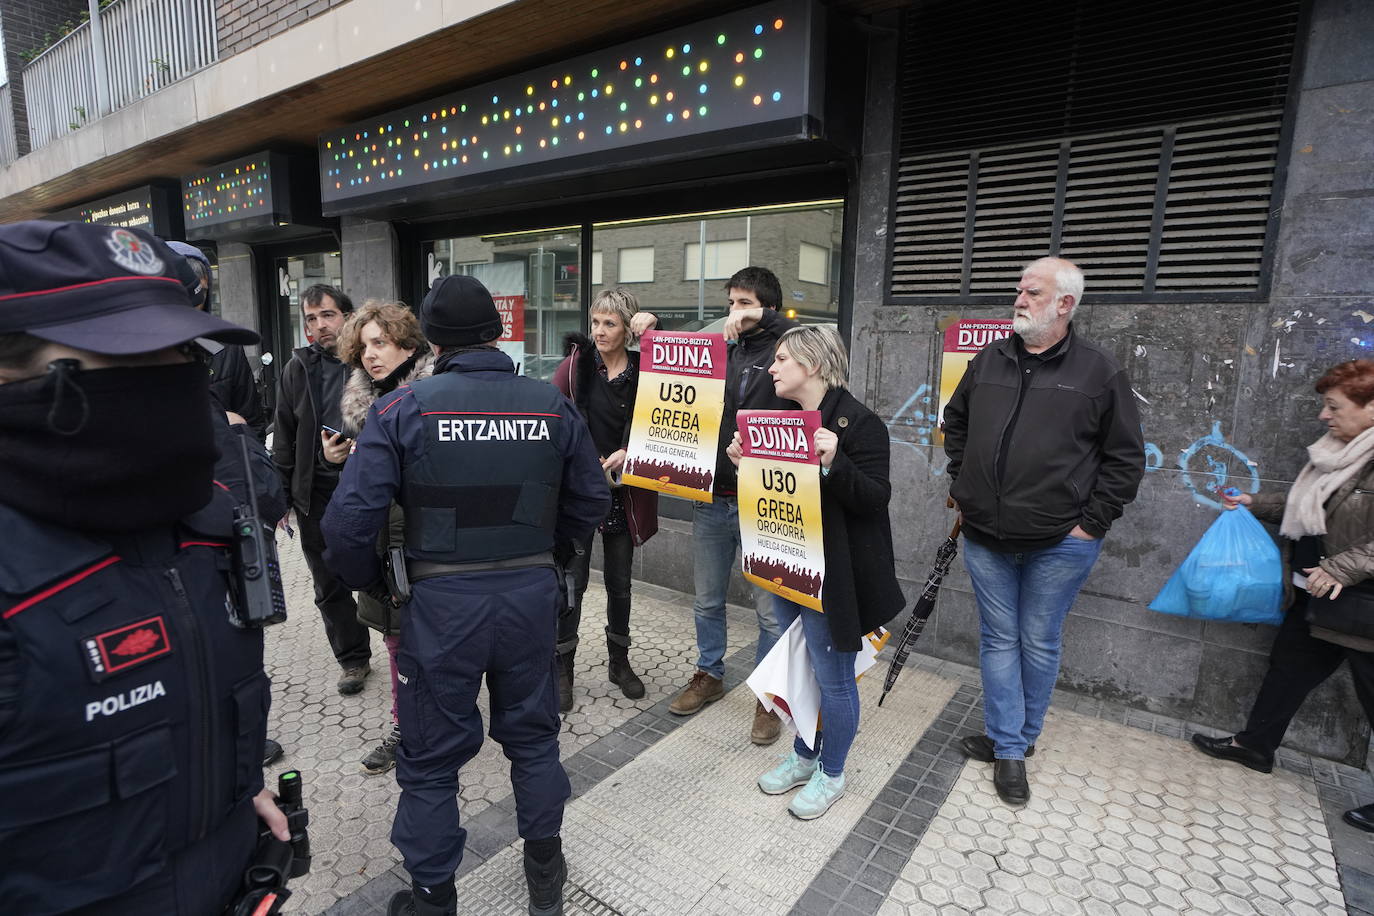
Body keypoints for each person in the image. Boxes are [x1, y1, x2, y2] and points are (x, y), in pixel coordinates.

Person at [0, 220, 290, 914]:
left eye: (180, 352)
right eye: (129, 357)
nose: (169, 384)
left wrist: (230, 778)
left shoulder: (207, 522)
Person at [321, 275, 608, 916]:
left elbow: (347, 525)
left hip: (439, 604)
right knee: (534, 739)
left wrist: (374, 585)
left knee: (429, 759)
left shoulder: (403, 410)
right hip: (529, 597)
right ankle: (544, 874)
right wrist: (549, 557)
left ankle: (432, 897)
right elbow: (591, 499)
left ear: (432, 340)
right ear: (495, 333)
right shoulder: (550, 405)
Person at [943, 256, 1145, 806]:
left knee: (1037, 640)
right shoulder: (989, 359)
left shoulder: (1098, 372)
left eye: (1032, 292)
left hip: (1061, 541)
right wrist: (963, 482)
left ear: (1065, 304)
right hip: (986, 534)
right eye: (1019, 290)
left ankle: (1017, 740)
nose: (1019, 299)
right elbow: (954, 420)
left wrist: (1091, 522)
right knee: (1000, 640)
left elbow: (1125, 458)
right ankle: (1010, 746)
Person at [727, 325, 905, 819]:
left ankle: (833, 772)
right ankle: (805, 756)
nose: (773, 368)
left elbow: (876, 498)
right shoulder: (778, 420)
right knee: (801, 667)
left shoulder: (861, 424)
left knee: (834, 677)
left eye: (783, 359)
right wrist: (743, 462)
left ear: (814, 364)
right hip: (787, 565)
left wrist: (834, 462)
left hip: (835, 576)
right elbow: (768, 494)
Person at [1192, 359, 1374, 831]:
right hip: (1315, 591)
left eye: (1334, 406)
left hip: (1360, 600)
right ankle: (1256, 745)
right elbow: (1309, 507)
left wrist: (1340, 568)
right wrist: (1254, 503)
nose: (1323, 416)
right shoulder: (1338, 451)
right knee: (1287, 669)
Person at [640, 266, 797, 744]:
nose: (734, 312)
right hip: (712, 498)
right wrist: (655, 327)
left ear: (768, 307)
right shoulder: (723, 350)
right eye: (730, 303)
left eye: (745, 303)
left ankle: (769, 698)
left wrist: (763, 327)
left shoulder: (789, 347)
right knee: (707, 601)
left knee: (771, 613)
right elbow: (677, 366)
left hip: (764, 502)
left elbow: (809, 347)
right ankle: (709, 674)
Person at [334, 301, 434, 775]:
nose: (369, 355)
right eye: (364, 346)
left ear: (408, 345)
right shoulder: (361, 400)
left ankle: (438, 717)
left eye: (380, 343)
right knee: (396, 643)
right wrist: (342, 460)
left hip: (428, 539)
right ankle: (404, 725)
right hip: (382, 540)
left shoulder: (431, 396)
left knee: (440, 637)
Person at [551, 288, 659, 712]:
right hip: (580, 494)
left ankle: (619, 662)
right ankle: (563, 669)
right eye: (595, 322)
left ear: (628, 327)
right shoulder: (576, 367)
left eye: (609, 323)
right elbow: (552, 419)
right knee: (571, 584)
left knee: (620, 584)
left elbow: (679, 389)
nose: (599, 331)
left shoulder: (645, 370)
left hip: (625, 494)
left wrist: (634, 450)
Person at [272, 283, 374, 695]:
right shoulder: (298, 367)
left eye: (327, 315)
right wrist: (279, 495)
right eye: (310, 318)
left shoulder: (369, 360)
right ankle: (353, 659)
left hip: (370, 490)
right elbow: (284, 433)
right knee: (328, 586)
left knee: (379, 577)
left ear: (347, 316)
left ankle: (403, 648)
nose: (319, 326)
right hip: (316, 493)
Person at [168, 240, 268, 440]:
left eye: (201, 292)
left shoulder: (226, 348)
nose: (194, 302)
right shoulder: (132, 351)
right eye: (185, 291)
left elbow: (254, 425)